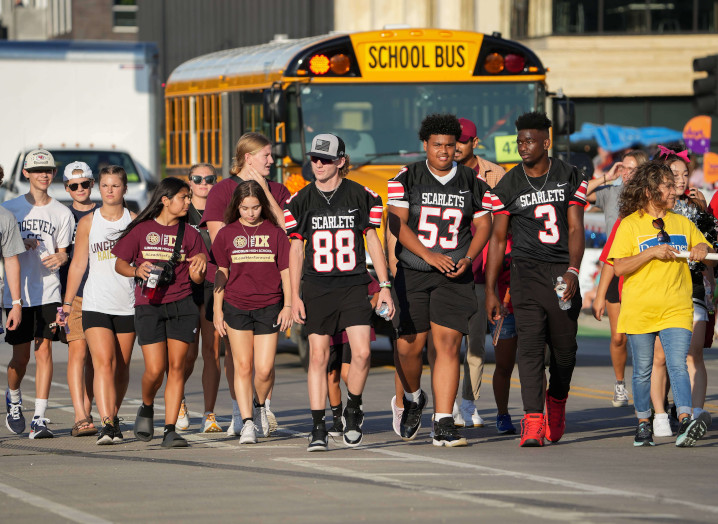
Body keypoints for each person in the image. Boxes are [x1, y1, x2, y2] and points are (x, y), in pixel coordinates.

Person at [388, 114, 491, 447]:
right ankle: (414, 396)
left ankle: (444, 421)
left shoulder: (472, 181)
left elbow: (485, 224)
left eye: (450, 145)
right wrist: (428, 254)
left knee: (448, 344)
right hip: (415, 270)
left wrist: (470, 257)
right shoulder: (406, 177)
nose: (445, 151)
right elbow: (396, 224)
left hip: (453, 274)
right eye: (438, 145)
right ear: (425, 145)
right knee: (409, 347)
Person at [286, 133, 394, 451]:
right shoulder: (300, 201)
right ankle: (318, 427)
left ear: (341, 162)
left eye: (326, 159)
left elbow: (372, 239)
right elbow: (295, 250)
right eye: (314, 159)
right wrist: (294, 296)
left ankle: (354, 407)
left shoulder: (361, 195)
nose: (318, 164)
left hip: (353, 283)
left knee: (361, 353)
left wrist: (385, 286)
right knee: (318, 356)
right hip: (318, 286)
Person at [485, 112, 588, 448]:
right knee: (528, 350)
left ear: (546, 142)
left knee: (565, 351)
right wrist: (490, 291)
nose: (522, 147)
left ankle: (556, 400)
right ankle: (532, 420)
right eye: (519, 142)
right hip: (525, 273)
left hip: (560, 270)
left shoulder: (569, 175)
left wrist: (573, 270)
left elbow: (575, 227)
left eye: (529, 141)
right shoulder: (508, 184)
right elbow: (498, 239)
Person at [608, 160, 713, 447]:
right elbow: (619, 267)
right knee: (642, 369)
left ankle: (685, 419)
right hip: (640, 308)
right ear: (650, 190)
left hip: (677, 306)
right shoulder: (629, 225)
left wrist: (703, 247)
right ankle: (643, 423)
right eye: (667, 185)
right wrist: (652, 252)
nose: (673, 189)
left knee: (677, 364)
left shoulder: (682, 222)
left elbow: (704, 247)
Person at [201, 133, 290, 435]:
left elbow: (286, 236)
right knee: (239, 361)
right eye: (266, 155)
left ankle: (261, 405)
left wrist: (266, 194)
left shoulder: (278, 189)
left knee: (263, 364)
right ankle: (242, 413)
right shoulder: (222, 191)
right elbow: (220, 242)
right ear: (248, 157)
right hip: (232, 287)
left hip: (269, 291)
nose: (272, 161)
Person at [112, 177, 208, 448]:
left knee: (177, 367)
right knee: (155, 369)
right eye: (183, 197)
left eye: (189, 197)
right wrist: (135, 270)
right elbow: (120, 263)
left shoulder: (191, 233)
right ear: (165, 200)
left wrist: (198, 267)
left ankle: (169, 429)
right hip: (149, 305)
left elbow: (198, 280)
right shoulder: (142, 229)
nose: (188, 202)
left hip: (182, 305)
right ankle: (146, 405)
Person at [58, 166, 136, 445]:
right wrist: (67, 303)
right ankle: (106, 423)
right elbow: (78, 264)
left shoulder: (135, 221)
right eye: (105, 185)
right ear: (99, 188)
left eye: (115, 185)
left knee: (122, 368)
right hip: (95, 303)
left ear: (124, 189)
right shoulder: (89, 222)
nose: (110, 190)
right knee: (103, 362)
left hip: (127, 304)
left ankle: (113, 415)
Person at [3, 150, 74, 439]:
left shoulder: (61, 212)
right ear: (26, 174)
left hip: (48, 291)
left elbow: (64, 253)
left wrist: (61, 259)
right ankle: (14, 397)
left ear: (54, 174)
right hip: (16, 295)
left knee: (44, 351)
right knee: (20, 358)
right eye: (37, 170)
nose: (43, 175)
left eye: (48, 170)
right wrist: (21, 242)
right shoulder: (10, 209)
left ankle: (40, 418)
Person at [651, 147, 716, 435]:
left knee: (693, 355)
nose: (680, 179)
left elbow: (713, 247)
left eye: (685, 173)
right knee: (662, 358)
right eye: (674, 173)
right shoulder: (653, 211)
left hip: (694, 288)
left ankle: (695, 417)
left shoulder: (699, 210)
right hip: (662, 289)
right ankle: (659, 415)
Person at [453, 117, 506, 426]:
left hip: (479, 273)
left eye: (462, 140)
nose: (455, 147)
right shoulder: (437, 172)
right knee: (443, 347)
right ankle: (441, 405)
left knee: (475, 346)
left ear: (475, 143)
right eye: (451, 140)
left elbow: (504, 227)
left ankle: (469, 403)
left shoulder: (495, 175)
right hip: (443, 271)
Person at [588, 150, 648, 407]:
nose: (626, 173)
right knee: (618, 337)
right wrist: (605, 177)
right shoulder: (611, 190)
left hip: (644, 269)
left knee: (645, 336)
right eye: (624, 167)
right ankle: (620, 383)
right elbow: (577, 194)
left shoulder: (649, 197)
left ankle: (649, 387)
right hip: (614, 266)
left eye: (633, 169)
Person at [177, 163, 222, 434]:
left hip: (214, 286)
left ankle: (209, 413)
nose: (203, 183)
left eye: (209, 179)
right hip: (185, 287)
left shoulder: (223, 210)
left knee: (212, 353)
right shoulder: (182, 210)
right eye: (198, 179)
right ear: (189, 182)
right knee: (189, 353)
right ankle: (178, 399)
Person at [59, 161, 99, 437]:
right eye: (74, 185)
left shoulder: (103, 214)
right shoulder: (62, 215)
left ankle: (89, 408)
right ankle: (80, 415)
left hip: (103, 292)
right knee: (78, 351)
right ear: (66, 188)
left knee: (98, 358)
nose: (80, 189)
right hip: (73, 294)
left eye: (85, 184)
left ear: (92, 184)